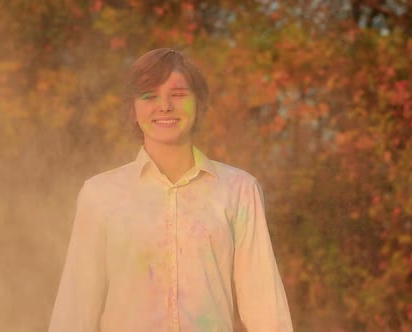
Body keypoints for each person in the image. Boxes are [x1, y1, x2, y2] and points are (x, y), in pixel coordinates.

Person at [48, 48, 293, 332]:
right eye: (149, 95)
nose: (164, 106)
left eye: (178, 94)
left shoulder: (239, 190)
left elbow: (265, 307)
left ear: (199, 103)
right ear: (133, 108)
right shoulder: (100, 194)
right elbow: (76, 308)